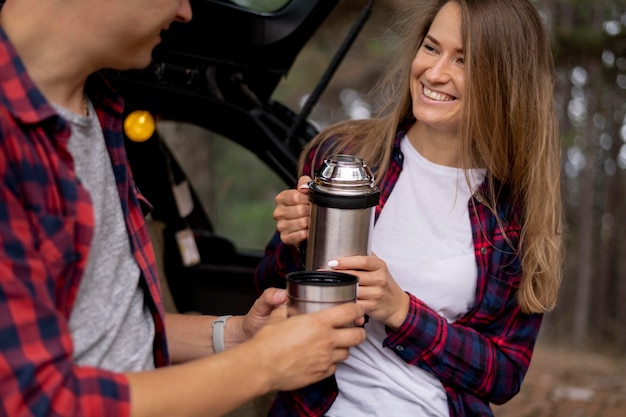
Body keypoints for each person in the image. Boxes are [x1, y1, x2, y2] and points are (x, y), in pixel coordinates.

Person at [0, 1, 367, 417]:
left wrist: (237, 336)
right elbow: (35, 401)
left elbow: (111, 327)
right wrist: (263, 365)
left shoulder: (100, 109)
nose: (186, 13)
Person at [255, 0, 564, 415]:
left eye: (464, 60)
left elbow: (505, 374)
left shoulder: (513, 213)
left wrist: (401, 310)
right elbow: (270, 290)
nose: (435, 73)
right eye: (431, 47)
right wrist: (292, 240)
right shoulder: (345, 155)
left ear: (506, 81)